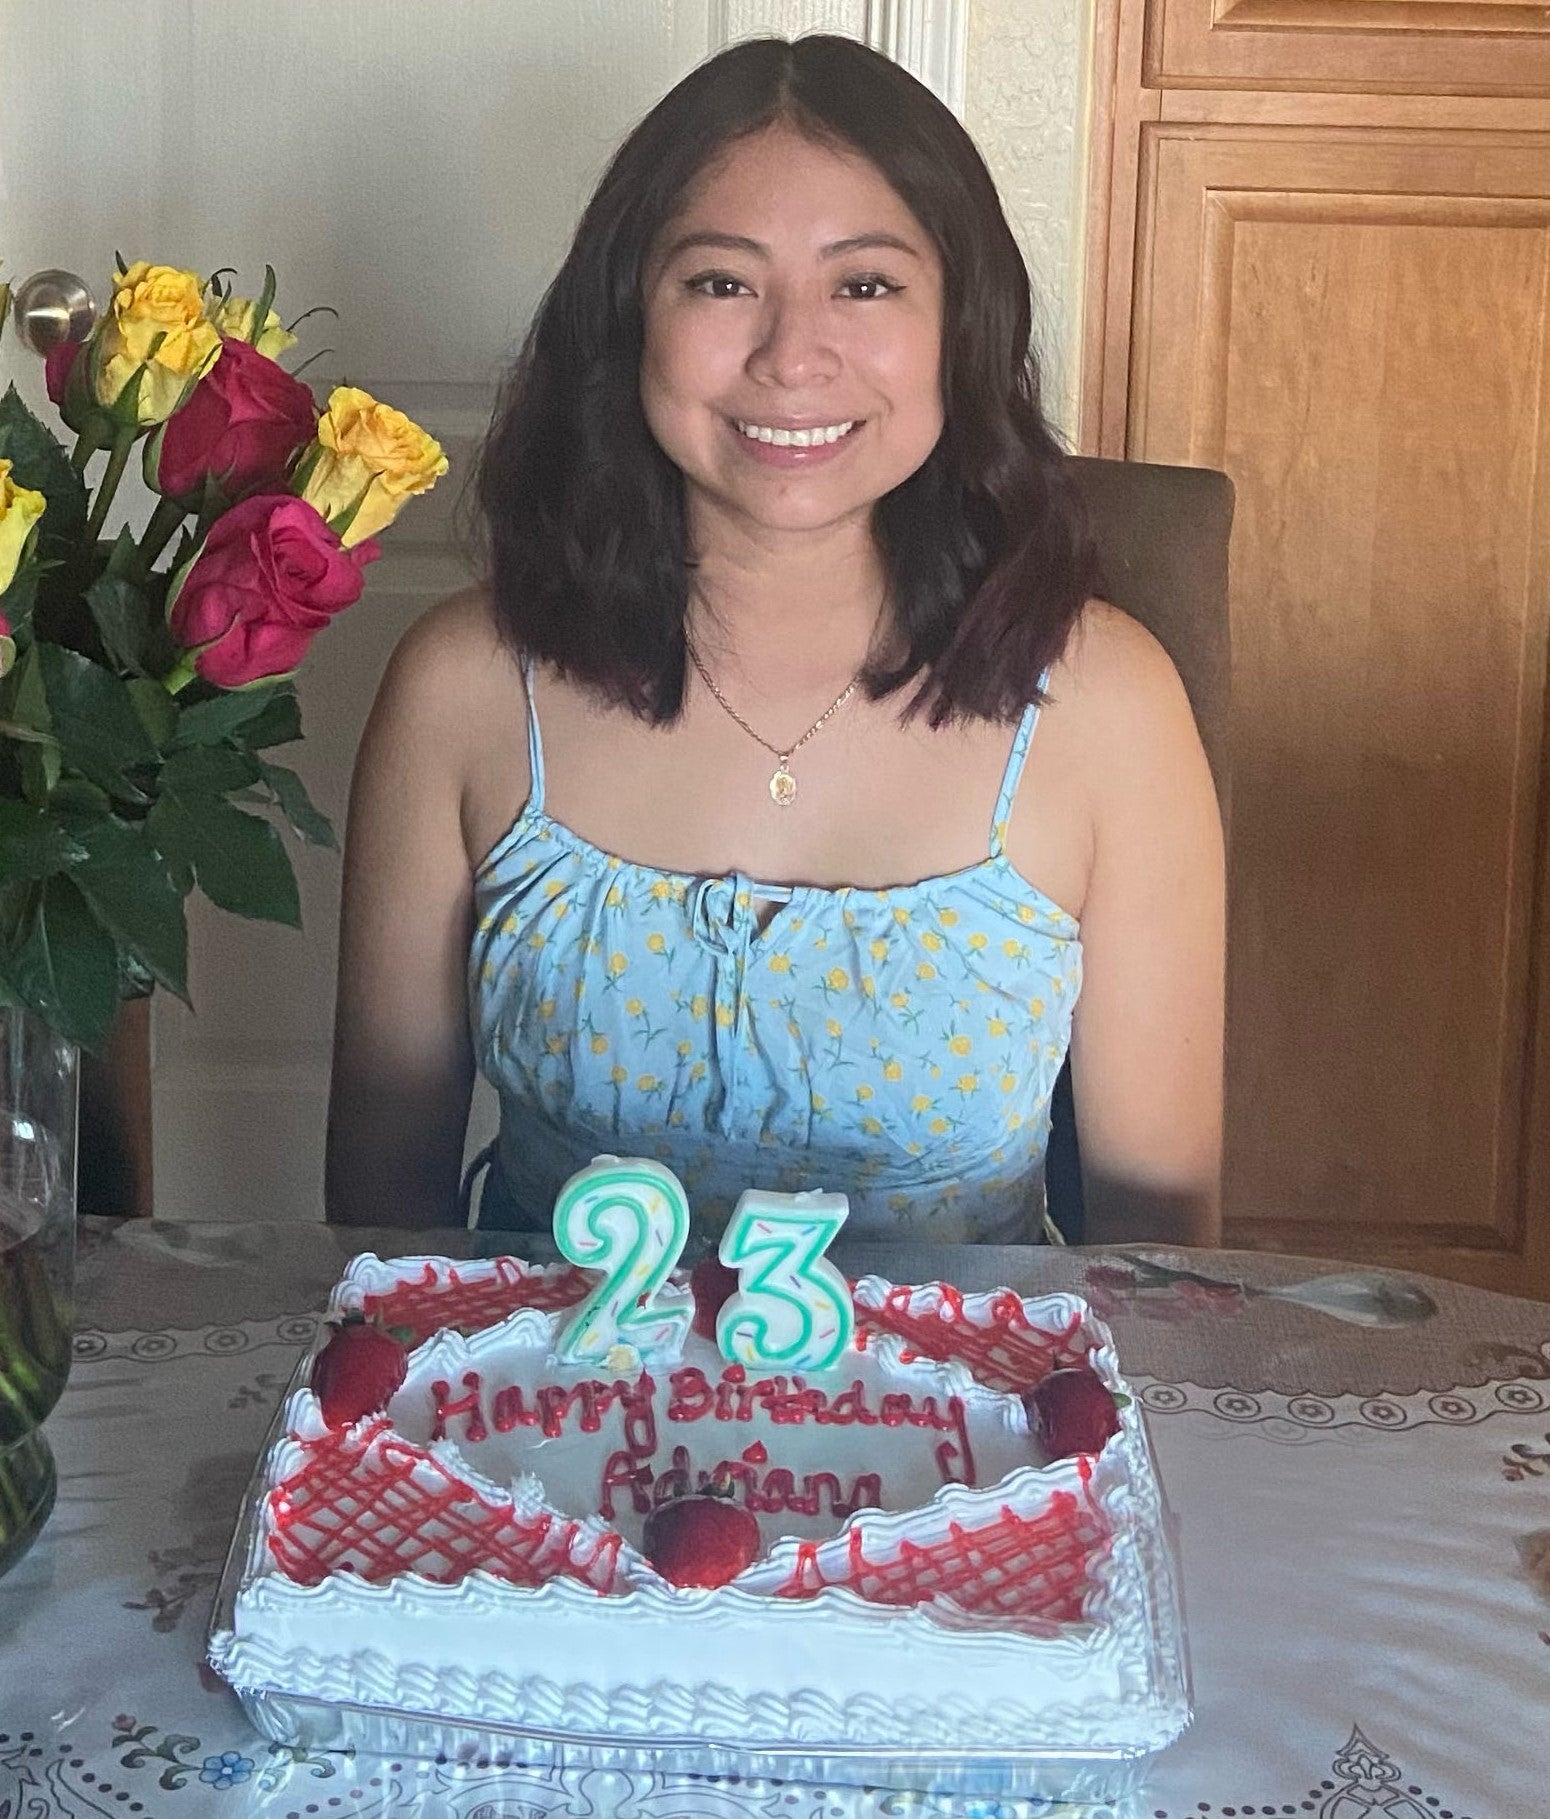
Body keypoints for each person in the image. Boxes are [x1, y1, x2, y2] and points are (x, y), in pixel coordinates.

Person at [325, 35, 1224, 1248]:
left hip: (972, 1429)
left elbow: (1161, 1259)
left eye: (864, 285)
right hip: (538, 1425)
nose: (791, 356)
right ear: (625, 316)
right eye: (719, 283)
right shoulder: (462, 688)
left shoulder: (1111, 706)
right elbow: (381, 1221)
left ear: (961, 322)